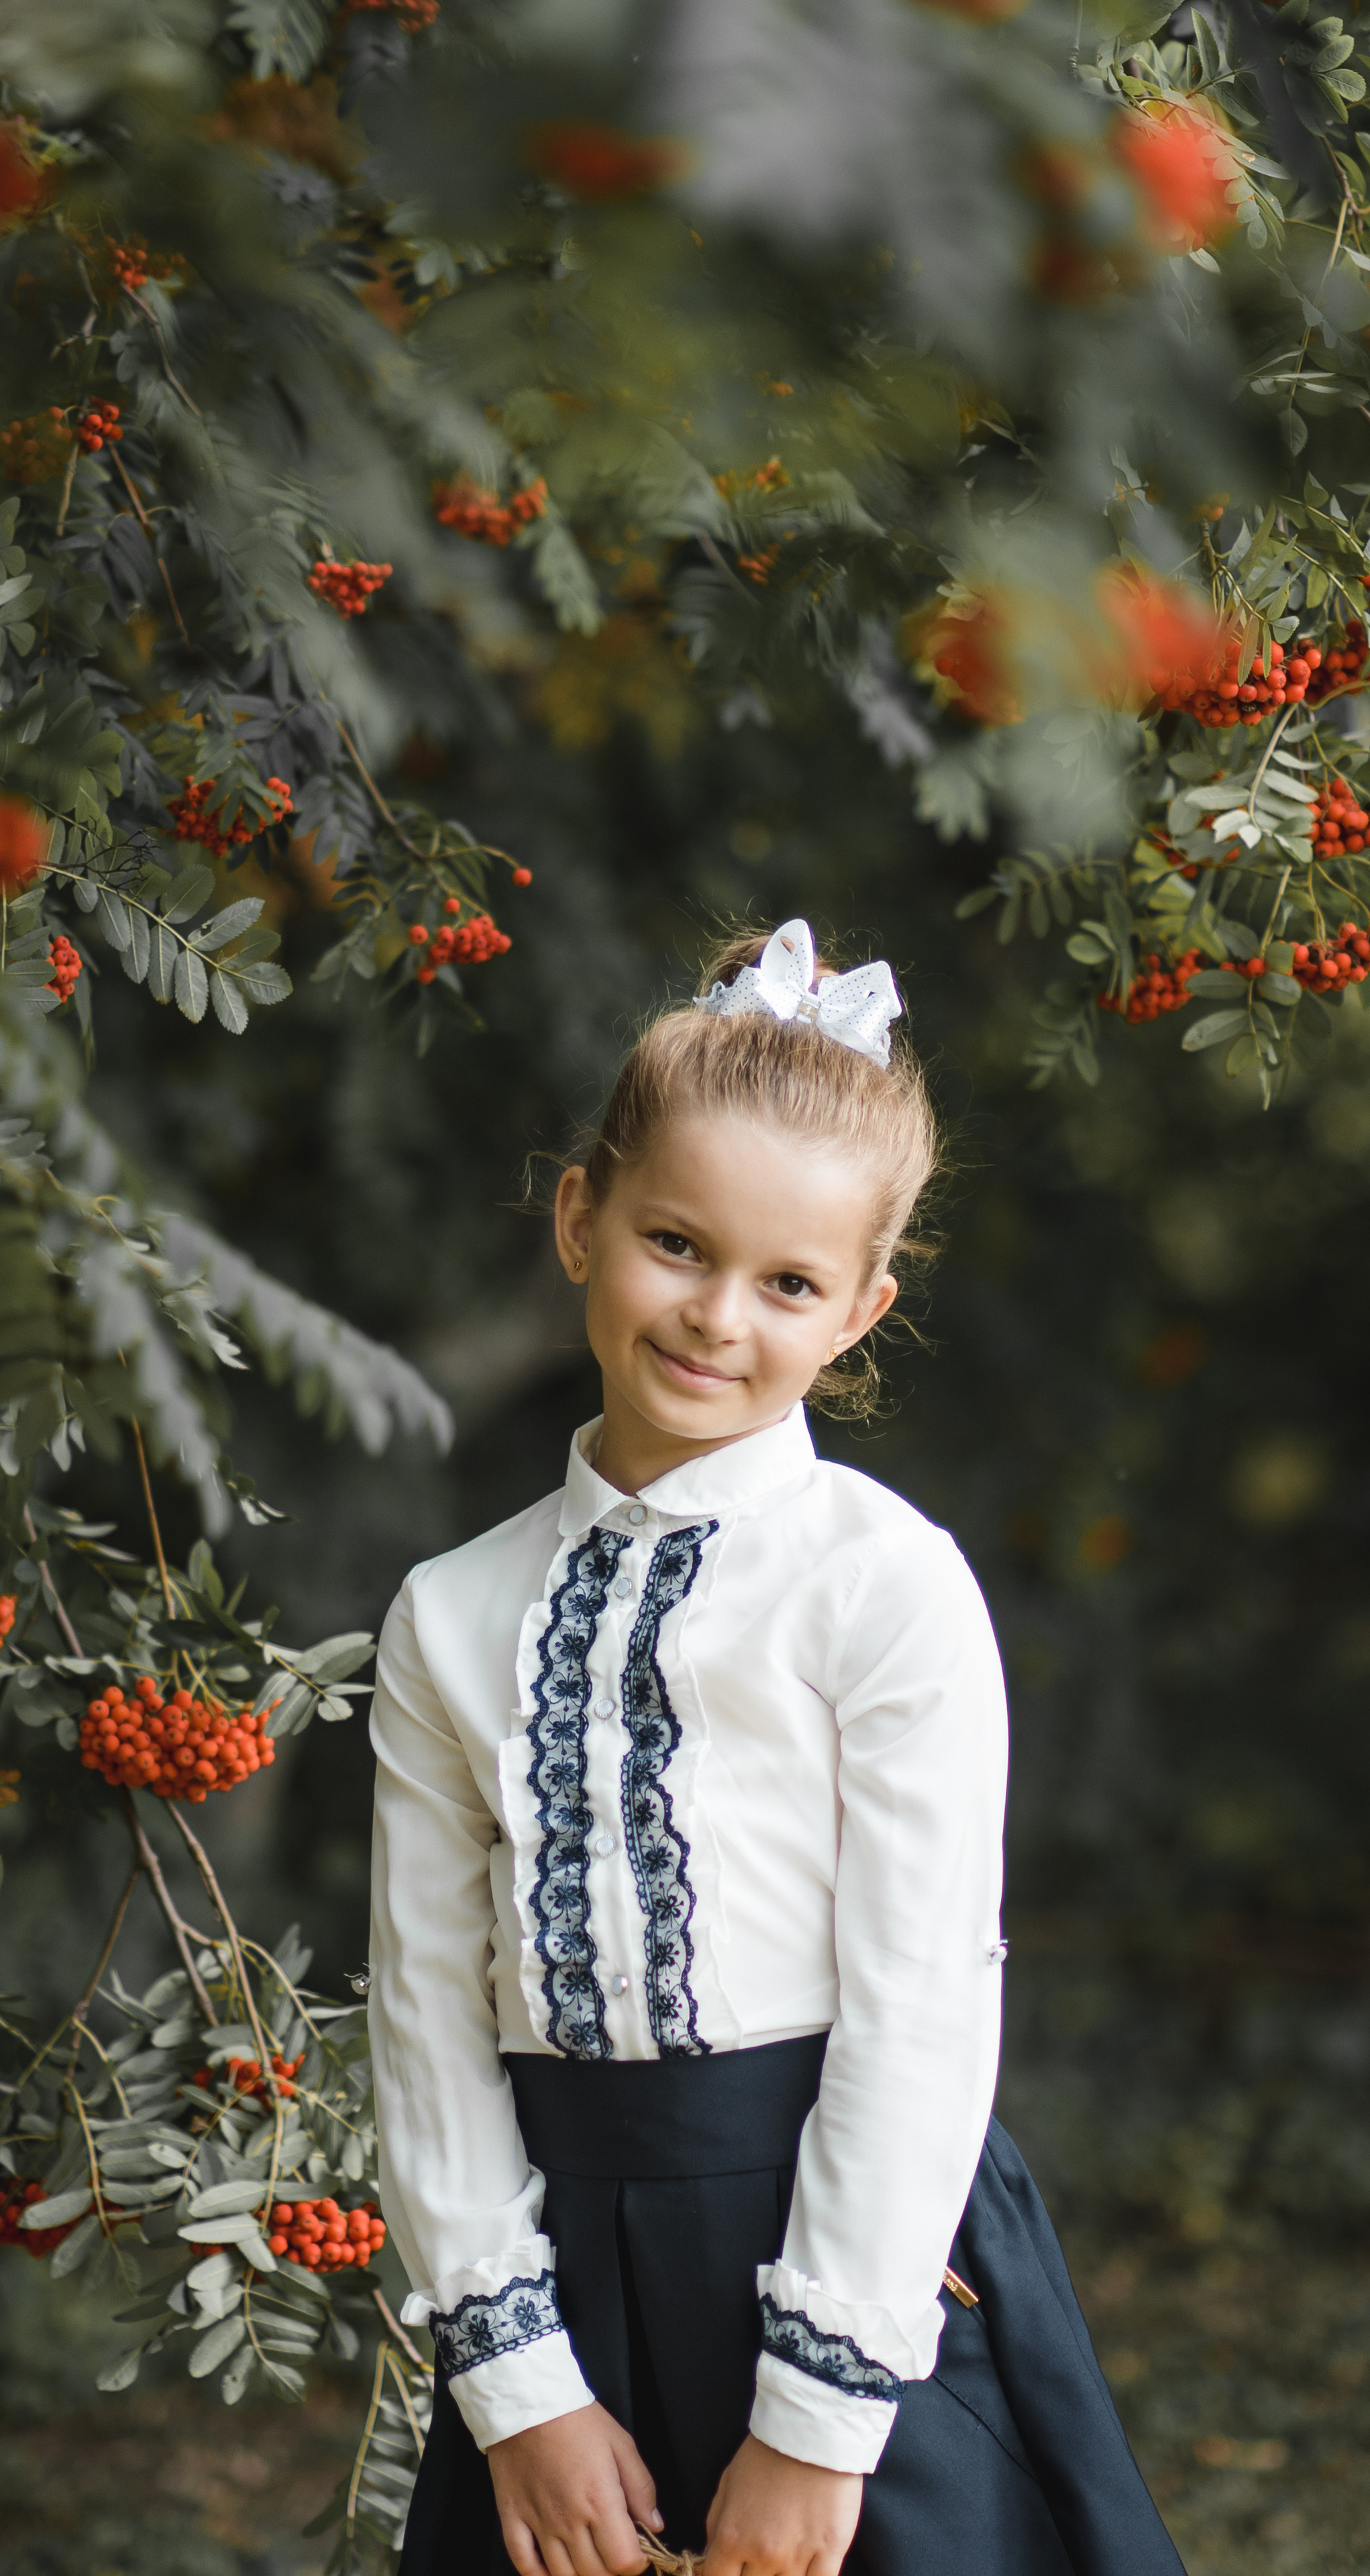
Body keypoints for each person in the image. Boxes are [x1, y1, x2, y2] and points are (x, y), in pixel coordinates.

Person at [368, 921, 1185, 2576]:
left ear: (858, 1311)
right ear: (579, 1218)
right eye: (675, 1242)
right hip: (556, 2276)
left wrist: (818, 2428)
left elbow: (921, 2006)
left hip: (849, 2264)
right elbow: (422, 2017)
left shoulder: (880, 1586)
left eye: (788, 1283)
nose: (716, 1316)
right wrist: (518, 2389)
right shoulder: (447, 1614)